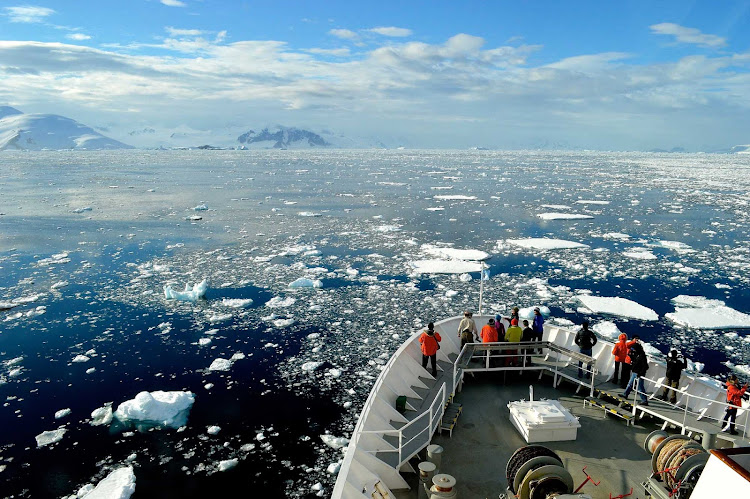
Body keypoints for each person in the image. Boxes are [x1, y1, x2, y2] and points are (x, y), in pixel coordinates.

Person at [623, 340, 649, 405]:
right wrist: (631, 356)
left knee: (640, 387)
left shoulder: (642, 356)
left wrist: (641, 373)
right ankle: (625, 394)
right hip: (634, 372)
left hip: (639, 373)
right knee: (630, 384)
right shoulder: (636, 354)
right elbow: (634, 360)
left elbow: (645, 366)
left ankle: (644, 400)